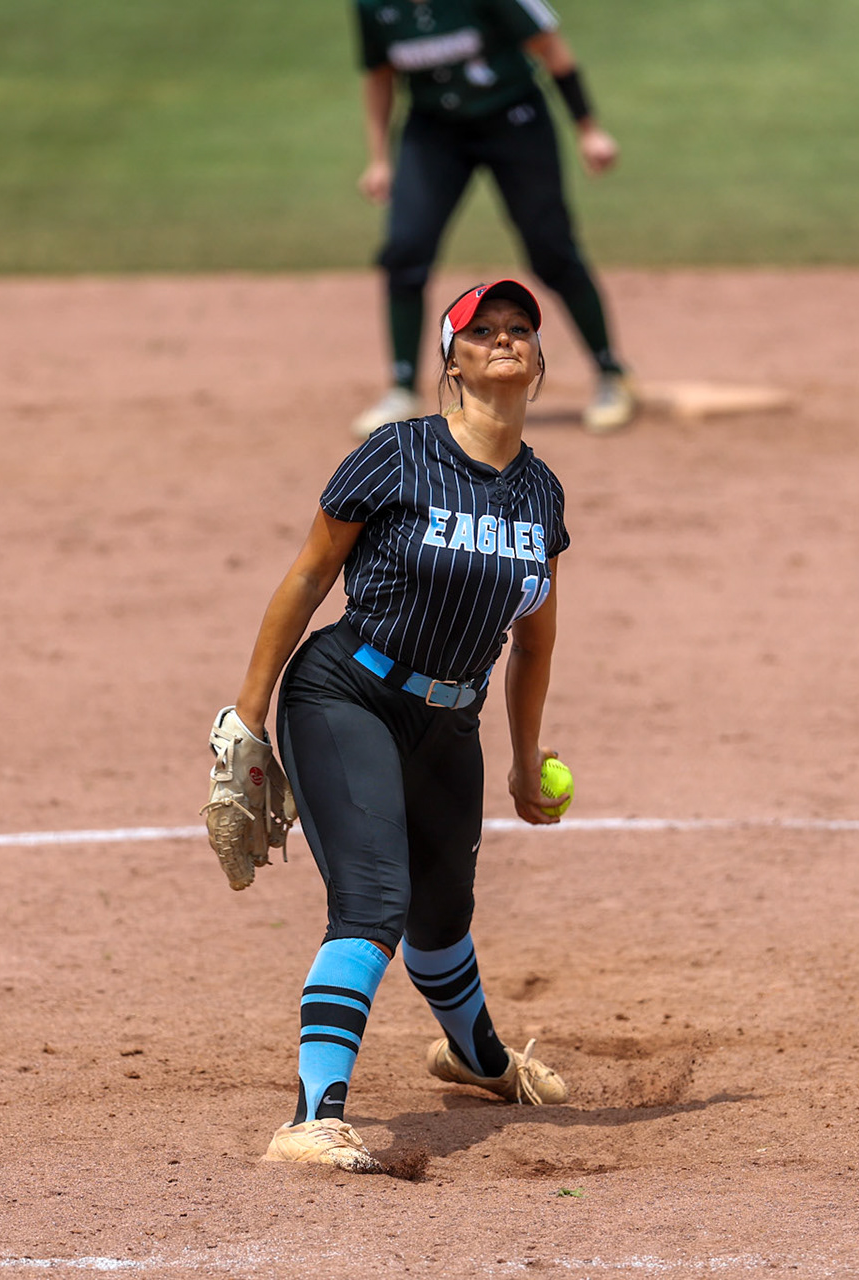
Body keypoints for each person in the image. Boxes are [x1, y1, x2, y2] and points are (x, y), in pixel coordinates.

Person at [227, 279, 573, 1173]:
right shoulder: (396, 454)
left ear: (540, 360)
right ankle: (311, 1119)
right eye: (482, 331)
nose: (504, 339)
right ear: (452, 364)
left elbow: (534, 641)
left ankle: (479, 1061)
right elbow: (310, 576)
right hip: (346, 693)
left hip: (450, 725)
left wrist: (524, 759)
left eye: (520, 329)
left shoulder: (541, 493)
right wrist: (247, 714)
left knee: (443, 920)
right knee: (374, 901)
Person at [349, 0, 637, 438]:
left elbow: (550, 48)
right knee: (405, 248)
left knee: (551, 248)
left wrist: (588, 129)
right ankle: (402, 388)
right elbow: (379, 75)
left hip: (513, 120)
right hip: (434, 131)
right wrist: (379, 159)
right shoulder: (374, 6)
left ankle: (610, 373)